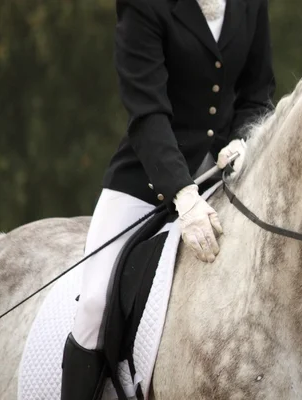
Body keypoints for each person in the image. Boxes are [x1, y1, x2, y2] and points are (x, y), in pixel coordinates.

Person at [60, 0, 276, 398]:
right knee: (93, 304)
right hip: (145, 180)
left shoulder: (249, 4)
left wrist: (243, 140)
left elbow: (257, 92)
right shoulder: (145, 6)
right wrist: (183, 193)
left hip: (226, 177)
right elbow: (147, 113)